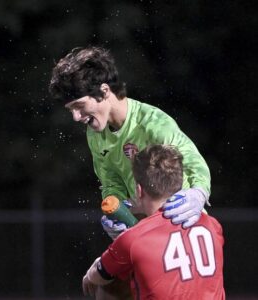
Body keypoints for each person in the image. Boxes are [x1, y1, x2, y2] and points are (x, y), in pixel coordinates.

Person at [49, 46, 211, 299]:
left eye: (79, 106)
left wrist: (198, 192)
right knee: (108, 289)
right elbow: (110, 180)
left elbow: (192, 160)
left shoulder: (154, 124)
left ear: (104, 91)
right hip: (145, 233)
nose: (75, 117)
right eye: (70, 109)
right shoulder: (96, 134)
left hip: (181, 228)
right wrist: (120, 211)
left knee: (105, 281)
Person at [82, 144, 225, 299]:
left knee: (107, 286)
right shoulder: (213, 225)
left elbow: (98, 276)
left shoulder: (132, 239)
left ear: (139, 190)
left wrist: (94, 271)